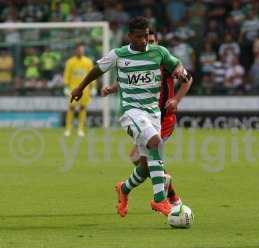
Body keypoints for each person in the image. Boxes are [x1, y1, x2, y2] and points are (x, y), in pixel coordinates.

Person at [71, 17, 189, 217]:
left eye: (146, 36)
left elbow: (177, 66)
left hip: (153, 114)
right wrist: (81, 87)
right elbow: (96, 70)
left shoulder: (159, 52)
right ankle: (160, 200)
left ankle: (123, 189)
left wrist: (179, 71)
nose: (144, 40)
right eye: (139, 36)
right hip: (131, 112)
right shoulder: (118, 55)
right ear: (130, 36)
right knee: (155, 142)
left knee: (144, 167)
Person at [101, 29, 193, 208]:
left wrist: (176, 99)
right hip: (142, 117)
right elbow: (130, 79)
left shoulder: (163, 62)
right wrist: (112, 88)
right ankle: (126, 189)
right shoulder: (138, 59)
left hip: (162, 119)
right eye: (145, 39)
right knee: (142, 162)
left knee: (147, 157)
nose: (146, 43)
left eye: (151, 40)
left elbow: (188, 79)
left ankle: (172, 199)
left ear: (157, 42)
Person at [63, 43, 95, 137]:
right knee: (71, 107)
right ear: (76, 51)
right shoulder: (70, 62)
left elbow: (92, 75)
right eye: (79, 50)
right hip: (73, 88)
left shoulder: (88, 61)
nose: (81, 51)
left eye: (82, 50)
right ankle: (68, 129)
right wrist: (65, 86)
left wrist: (93, 87)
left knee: (83, 108)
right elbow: (66, 74)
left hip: (85, 89)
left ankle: (80, 129)